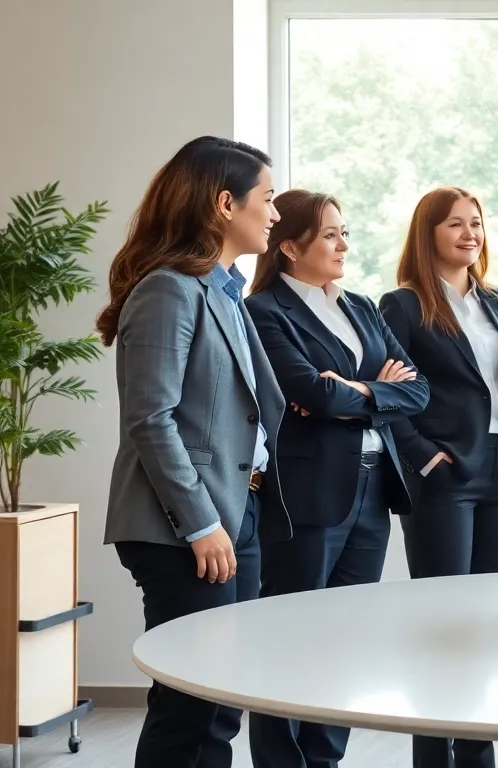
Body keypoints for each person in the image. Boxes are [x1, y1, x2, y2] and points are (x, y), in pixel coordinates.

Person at [96, 136, 290, 768]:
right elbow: (150, 421)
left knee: (222, 700)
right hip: (185, 525)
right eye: (267, 198)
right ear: (224, 203)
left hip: (241, 513)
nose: (276, 213)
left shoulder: (225, 292)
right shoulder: (168, 290)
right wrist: (202, 523)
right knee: (190, 706)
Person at [243, 189, 429, 768]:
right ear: (290, 246)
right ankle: (282, 761)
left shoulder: (362, 307)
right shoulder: (265, 311)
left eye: (343, 231)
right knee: (292, 633)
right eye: (329, 234)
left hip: (373, 488)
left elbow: (417, 390)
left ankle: (325, 759)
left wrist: (362, 391)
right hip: (307, 493)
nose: (343, 244)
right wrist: (371, 389)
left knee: (348, 635)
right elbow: (310, 393)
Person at [379, 186, 498, 768]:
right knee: (442, 625)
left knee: (489, 625)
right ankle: (433, 757)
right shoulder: (401, 305)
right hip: (444, 477)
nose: (470, 234)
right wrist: (423, 455)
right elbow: (389, 394)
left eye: (476, 223)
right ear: (428, 235)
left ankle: (477, 755)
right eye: (455, 224)